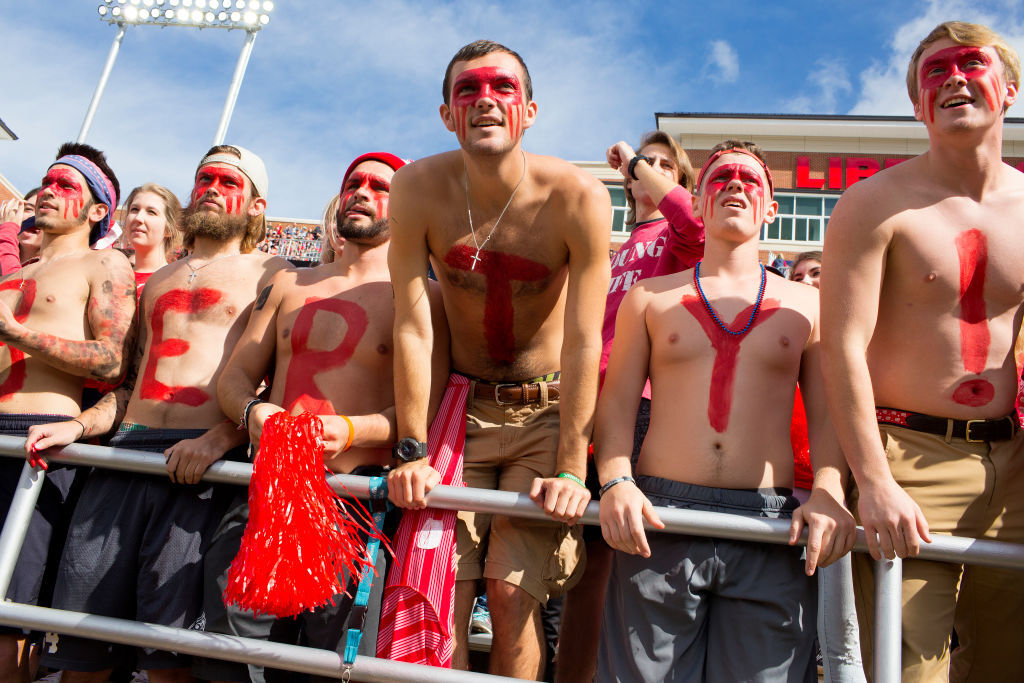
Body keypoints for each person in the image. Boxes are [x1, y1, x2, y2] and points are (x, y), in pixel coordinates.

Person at [387, 40, 612, 679]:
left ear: (530, 110)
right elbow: (413, 326)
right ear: (446, 114)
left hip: (545, 413)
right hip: (461, 412)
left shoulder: (577, 196)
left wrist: (571, 466)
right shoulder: (417, 188)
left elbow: (584, 340)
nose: (485, 100)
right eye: (469, 90)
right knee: (443, 593)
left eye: (502, 88)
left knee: (513, 596)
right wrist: (411, 450)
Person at [24, 144, 290, 682]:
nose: (211, 188)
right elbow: (130, 383)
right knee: (82, 646)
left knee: (169, 660)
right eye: (204, 178)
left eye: (228, 182)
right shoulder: (162, 278)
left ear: (257, 206)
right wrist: (79, 425)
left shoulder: (274, 273)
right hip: (125, 456)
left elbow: (278, 387)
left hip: (204, 466)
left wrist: (221, 438)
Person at [595, 142, 854, 682]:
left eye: (750, 179)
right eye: (721, 177)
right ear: (696, 200)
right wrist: (616, 480)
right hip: (661, 515)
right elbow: (617, 403)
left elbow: (829, 414)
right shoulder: (649, 297)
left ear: (771, 209)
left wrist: (829, 489)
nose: (735, 184)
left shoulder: (809, 305)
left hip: (769, 522)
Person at [820, 21, 1024, 682]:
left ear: (1009, 88)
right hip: (909, 456)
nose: (954, 78)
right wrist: (874, 480)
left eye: (970, 63)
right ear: (917, 105)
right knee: (908, 669)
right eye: (936, 71)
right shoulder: (874, 203)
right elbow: (841, 348)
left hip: (1014, 464)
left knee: (1006, 662)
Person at [194, 151, 448, 683]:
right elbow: (234, 380)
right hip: (266, 495)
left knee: (331, 670)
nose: (362, 192)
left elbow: (422, 415)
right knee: (231, 661)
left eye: (380, 187)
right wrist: (254, 412)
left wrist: (352, 430)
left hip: (355, 505)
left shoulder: (424, 297)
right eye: (354, 183)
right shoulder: (290, 285)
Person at [554, 131, 700, 683]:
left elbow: (696, 224)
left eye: (665, 165)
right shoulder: (615, 249)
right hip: (585, 406)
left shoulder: (677, 237)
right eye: (646, 162)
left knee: (630, 564)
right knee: (584, 570)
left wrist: (638, 163)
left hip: (641, 407)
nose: (650, 170)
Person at [0, 142, 136, 682]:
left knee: (9, 622)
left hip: (35, 440)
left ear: (98, 209)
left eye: (66, 186)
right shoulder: (17, 271)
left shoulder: (105, 263)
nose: (48, 192)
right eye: (47, 182)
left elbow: (111, 360)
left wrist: (19, 334)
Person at [122, 183, 183, 289]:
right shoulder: (111, 277)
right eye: (134, 209)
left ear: (169, 229)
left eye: (151, 212)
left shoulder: (175, 283)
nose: (138, 218)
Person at [0, 187, 41, 274]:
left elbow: (13, 280)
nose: (32, 217)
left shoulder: (52, 269)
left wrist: (8, 231)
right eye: (28, 209)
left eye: (43, 212)